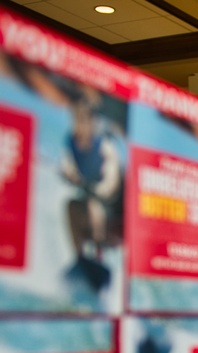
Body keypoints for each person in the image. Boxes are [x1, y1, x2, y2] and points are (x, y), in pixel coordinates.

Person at [61, 95, 124, 291]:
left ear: (92, 122)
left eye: (84, 120)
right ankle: (81, 259)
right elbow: (67, 166)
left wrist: (101, 189)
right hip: (88, 197)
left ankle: (98, 259)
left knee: (93, 208)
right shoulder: (71, 141)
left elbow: (112, 176)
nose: (80, 125)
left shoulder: (104, 145)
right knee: (70, 206)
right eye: (77, 119)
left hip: (110, 203)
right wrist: (70, 175)